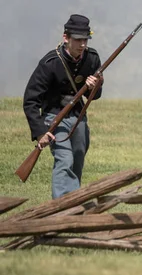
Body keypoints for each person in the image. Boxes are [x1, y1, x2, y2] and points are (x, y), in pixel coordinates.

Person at [23, 14, 103, 198]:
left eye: (85, 39)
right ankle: (60, 207)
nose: (82, 44)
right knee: (65, 159)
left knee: (78, 157)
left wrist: (94, 86)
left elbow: (96, 96)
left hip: (78, 115)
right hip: (53, 116)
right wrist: (40, 132)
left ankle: (73, 201)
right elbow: (31, 100)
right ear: (66, 38)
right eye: (78, 40)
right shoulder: (49, 63)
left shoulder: (91, 59)